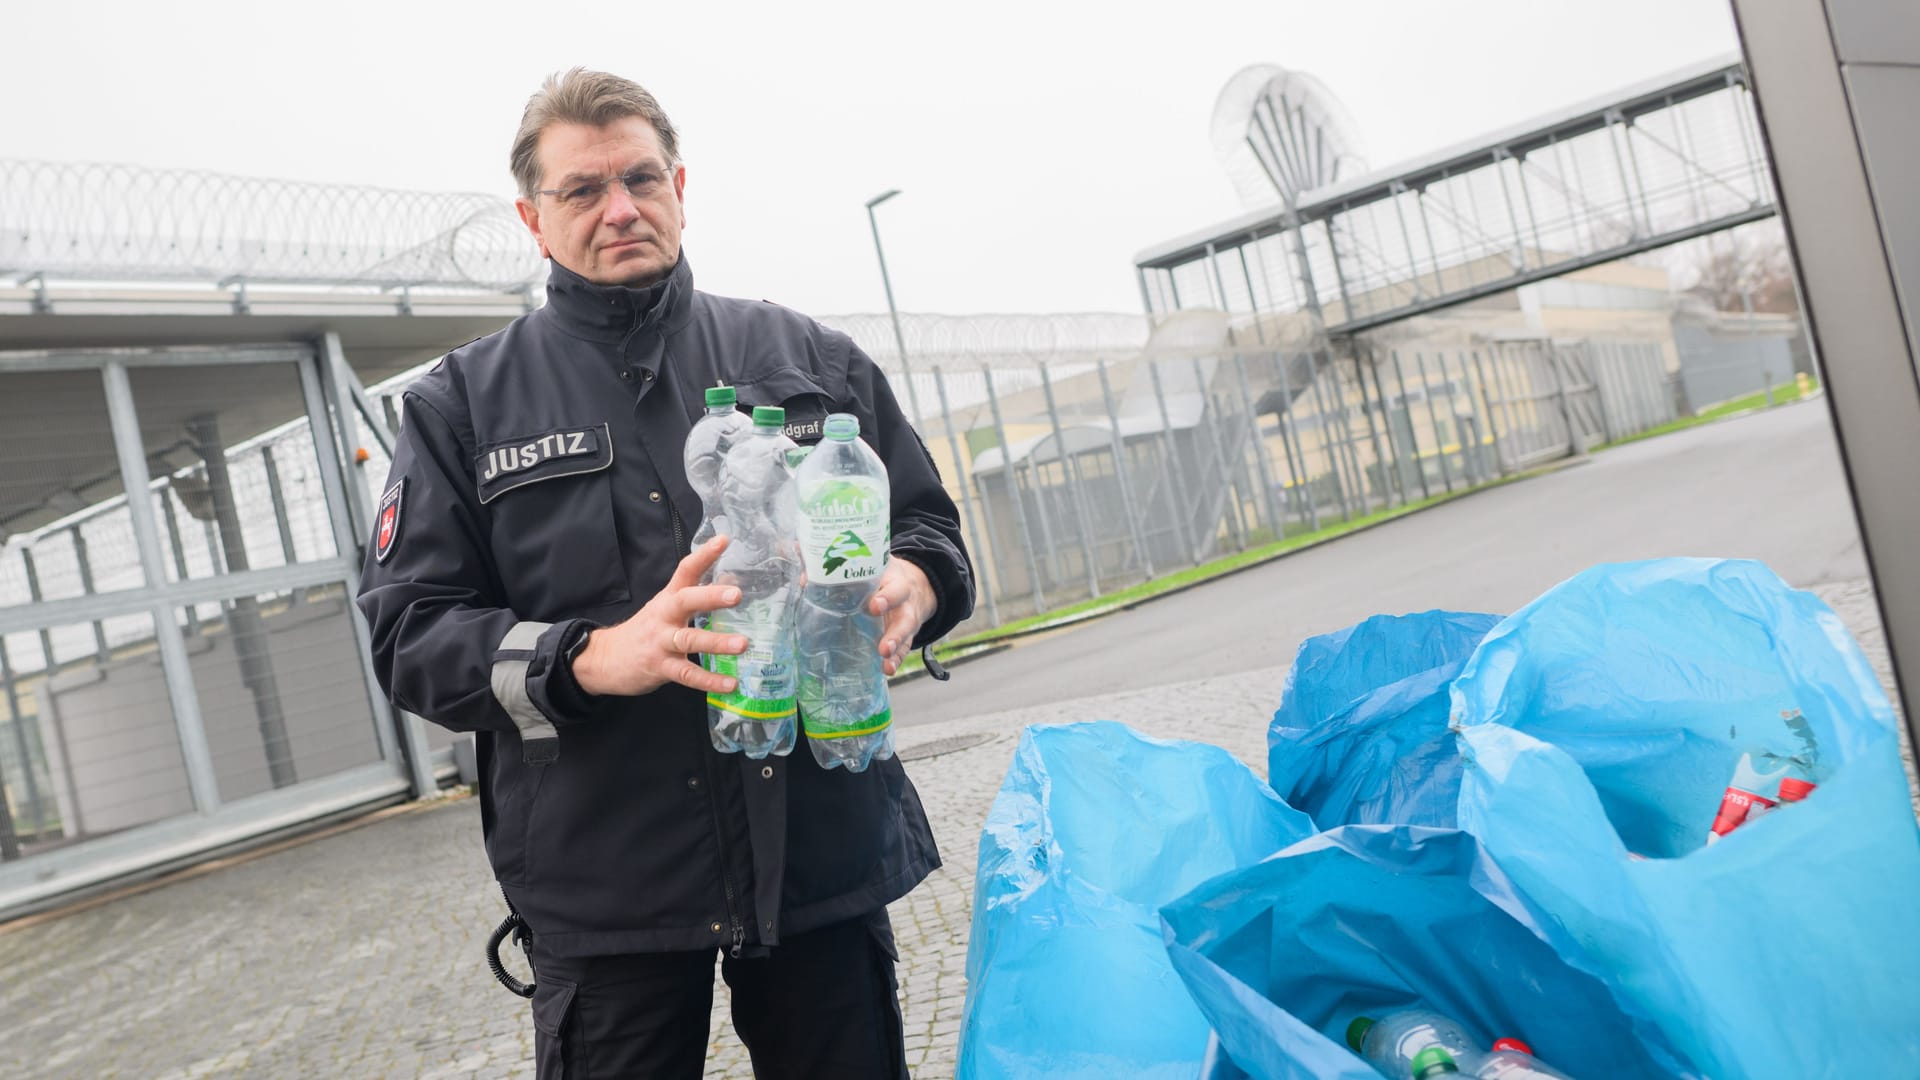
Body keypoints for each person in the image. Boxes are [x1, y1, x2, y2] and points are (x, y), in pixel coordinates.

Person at [356, 67, 973, 1079]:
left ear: (680, 188)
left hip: (817, 852)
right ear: (532, 216)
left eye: (642, 179)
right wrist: (590, 656)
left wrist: (915, 584)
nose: (621, 208)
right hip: (610, 888)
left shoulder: (808, 358)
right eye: (583, 190)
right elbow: (410, 639)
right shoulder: (460, 407)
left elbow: (931, 531)